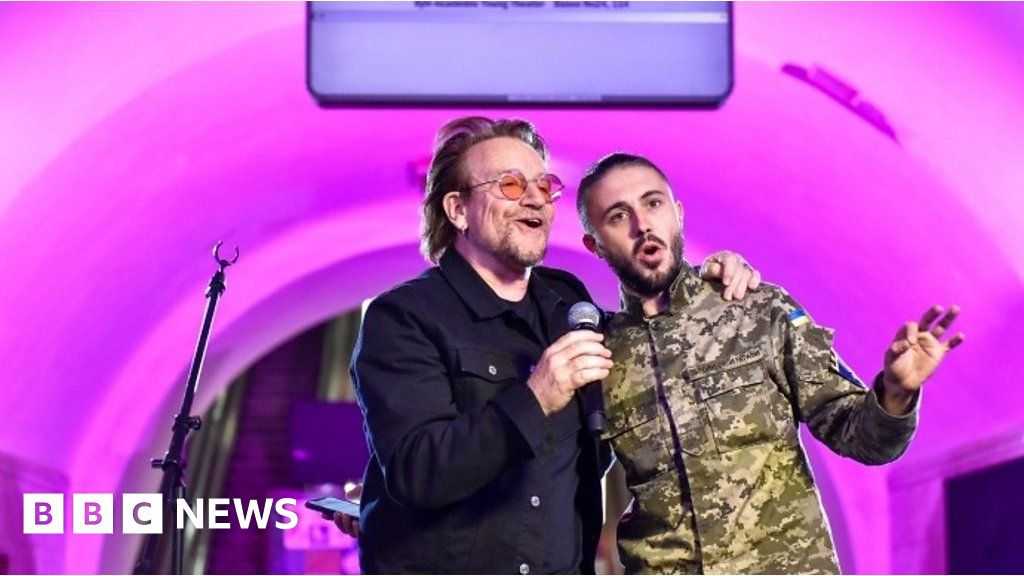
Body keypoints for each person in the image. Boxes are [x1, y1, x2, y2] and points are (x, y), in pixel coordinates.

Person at [342, 117, 759, 574]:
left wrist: (706, 282)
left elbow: (651, 345)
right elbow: (417, 471)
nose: (537, 197)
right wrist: (536, 396)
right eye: (511, 184)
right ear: (458, 210)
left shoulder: (570, 304)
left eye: (544, 184)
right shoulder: (403, 317)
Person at [576, 152, 965, 574]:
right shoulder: (599, 359)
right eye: (618, 216)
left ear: (678, 212)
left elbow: (862, 438)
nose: (643, 225)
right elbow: (564, 490)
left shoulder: (759, 310)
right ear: (594, 244)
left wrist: (896, 392)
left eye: (653, 203)